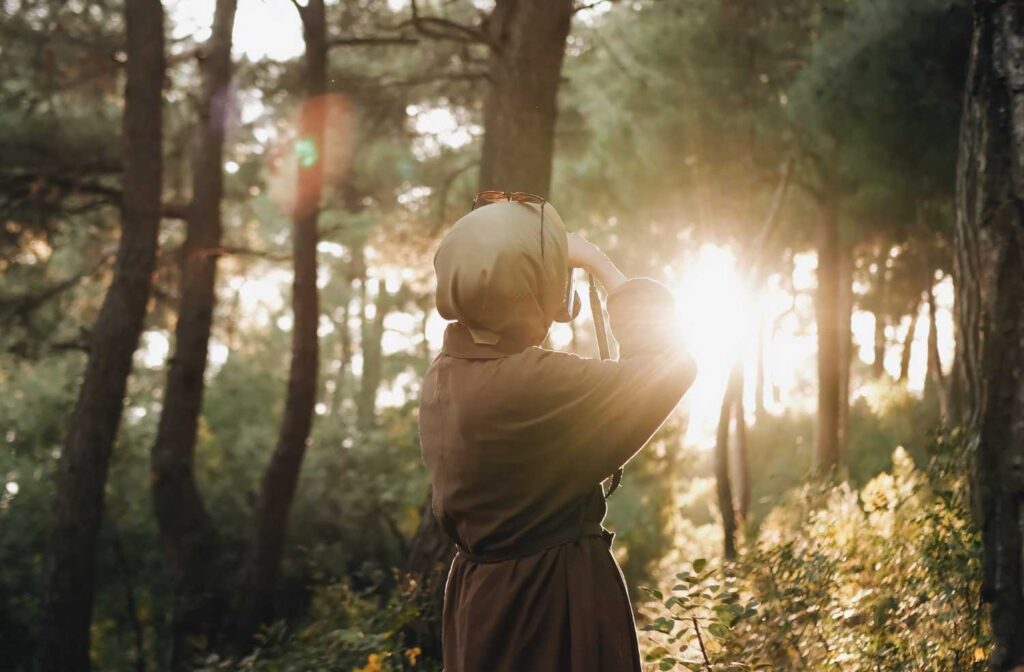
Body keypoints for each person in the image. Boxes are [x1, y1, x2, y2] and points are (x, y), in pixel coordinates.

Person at [419, 195, 697, 672]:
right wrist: (601, 266)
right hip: (547, 610)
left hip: (481, 607)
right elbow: (671, 364)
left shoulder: (445, 374)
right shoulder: (531, 383)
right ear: (525, 285)